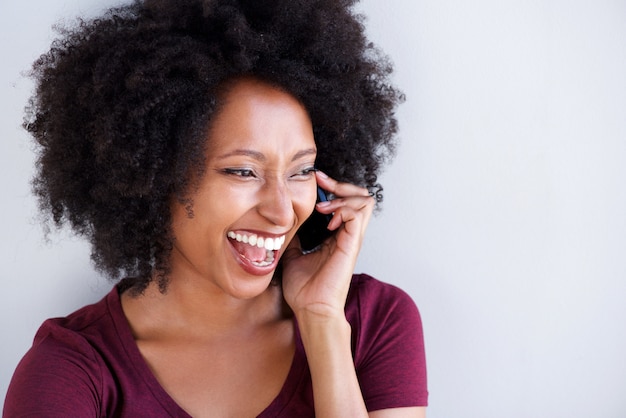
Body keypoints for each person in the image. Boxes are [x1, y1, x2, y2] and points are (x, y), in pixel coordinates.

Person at [3, 0, 428, 416]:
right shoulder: (72, 370)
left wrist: (322, 324)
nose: (283, 213)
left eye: (302, 171)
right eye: (243, 172)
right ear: (153, 176)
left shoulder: (373, 320)